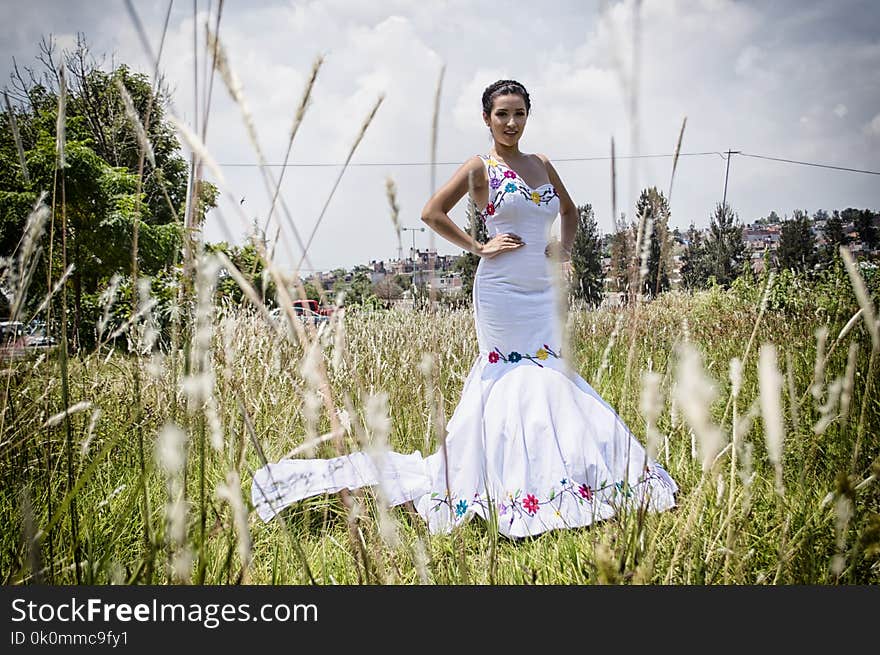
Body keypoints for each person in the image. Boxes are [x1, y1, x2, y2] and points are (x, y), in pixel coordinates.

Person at [251, 79, 677, 538]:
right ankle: (504, 485)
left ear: (527, 116)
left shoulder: (543, 164)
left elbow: (569, 214)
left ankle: (572, 481)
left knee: (552, 375)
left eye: (519, 114)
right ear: (487, 119)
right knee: (515, 377)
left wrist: (565, 250)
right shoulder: (481, 167)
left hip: (542, 287)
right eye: (502, 115)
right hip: (501, 289)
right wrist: (478, 246)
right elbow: (432, 212)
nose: (511, 123)